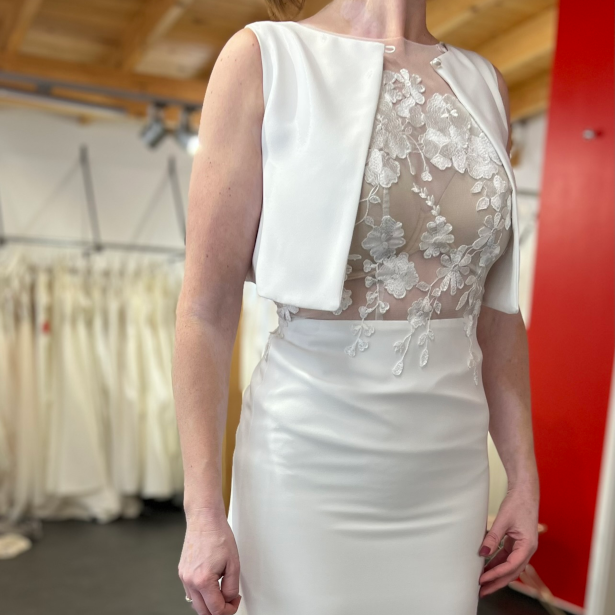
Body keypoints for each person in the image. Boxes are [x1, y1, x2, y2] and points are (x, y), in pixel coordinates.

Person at [172, 1, 540, 613]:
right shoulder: (265, 57)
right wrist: (203, 511)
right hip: (308, 465)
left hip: (447, 475)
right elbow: (204, 312)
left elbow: (497, 314)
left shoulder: (484, 83)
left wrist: (523, 477)